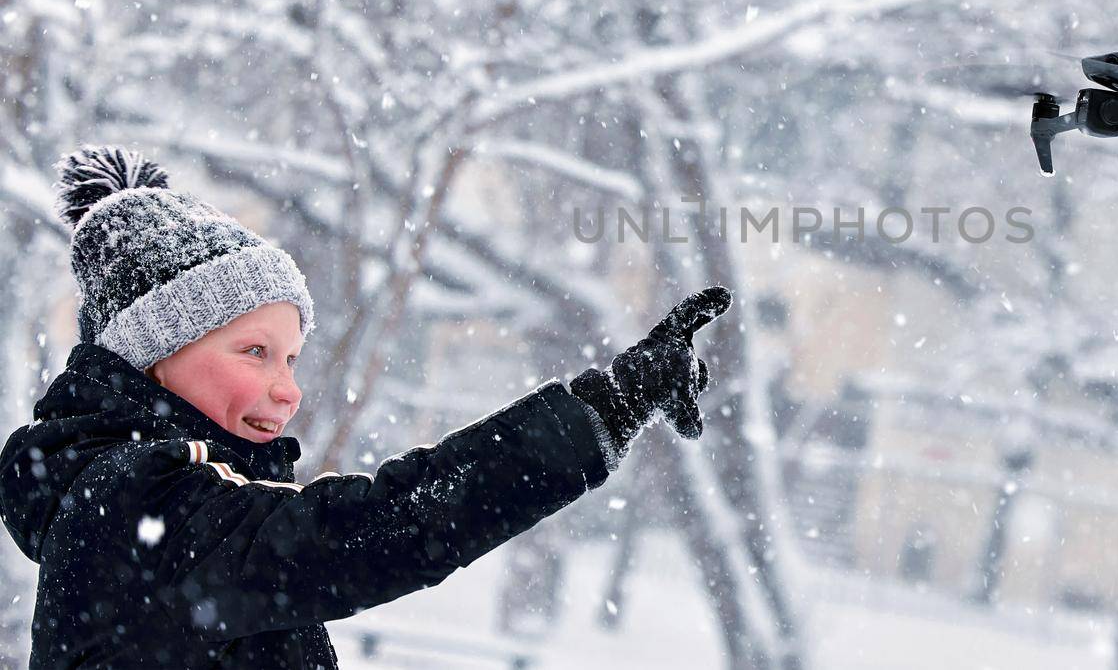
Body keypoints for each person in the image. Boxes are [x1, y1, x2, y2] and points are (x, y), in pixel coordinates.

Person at [0, 145, 730, 669]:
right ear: (154, 356)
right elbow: (379, 527)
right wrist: (600, 412)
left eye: (291, 358)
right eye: (253, 352)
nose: (288, 387)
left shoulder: (157, 504)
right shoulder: (138, 500)